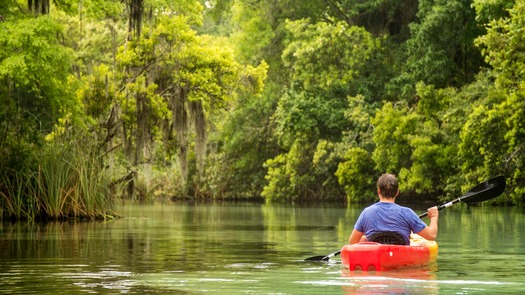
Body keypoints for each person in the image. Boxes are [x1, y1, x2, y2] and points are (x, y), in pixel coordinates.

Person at [348, 173, 439, 245]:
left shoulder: (366, 212)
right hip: (401, 260)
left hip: (376, 261)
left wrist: (367, 239)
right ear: (397, 192)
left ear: (378, 191)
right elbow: (431, 235)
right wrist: (434, 216)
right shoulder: (407, 212)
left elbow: (353, 241)